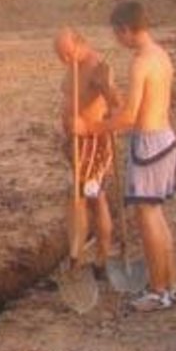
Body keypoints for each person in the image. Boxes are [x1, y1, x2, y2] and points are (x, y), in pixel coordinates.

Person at [77, 0, 176, 313]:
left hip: (148, 145)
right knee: (156, 215)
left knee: (146, 218)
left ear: (125, 29)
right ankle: (170, 286)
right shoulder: (160, 56)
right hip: (164, 138)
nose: (116, 40)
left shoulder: (141, 63)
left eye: (116, 34)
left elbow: (131, 118)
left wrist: (91, 127)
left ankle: (158, 290)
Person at [54, 28, 119, 281]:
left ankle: (96, 258)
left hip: (93, 147)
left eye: (67, 54)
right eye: (60, 56)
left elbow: (116, 105)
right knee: (85, 197)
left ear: (81, 43)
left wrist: (93, 124)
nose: (65, 61)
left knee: (92, 197)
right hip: (77, 145)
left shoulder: (98, 67)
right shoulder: (76, 63)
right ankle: (81, 257)